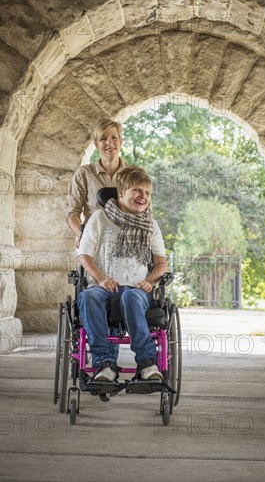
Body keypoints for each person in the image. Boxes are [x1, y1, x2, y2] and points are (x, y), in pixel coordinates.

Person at [77, 167, 167, 382]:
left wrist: (149, 281)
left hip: (136, 289)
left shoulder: (150, 224)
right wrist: (100, 279)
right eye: (137, 191)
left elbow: (161, 263)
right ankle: (104, 363)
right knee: (88, 296)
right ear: (120, 194)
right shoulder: (100, 218)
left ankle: (147, 363)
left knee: (130, 296)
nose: (143, 197)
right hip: (102, 287)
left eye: (147, 193)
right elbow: (84, 256)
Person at [66, 118, 127, 246]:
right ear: (96, 144)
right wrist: (83, 236)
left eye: (114, 138)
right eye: (103, 139)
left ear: (121, 141)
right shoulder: (84, 174)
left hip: (125, 244)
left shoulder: (133, 175)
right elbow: (72, 213)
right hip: (94, 244)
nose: (109, 143)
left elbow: (145, 213)